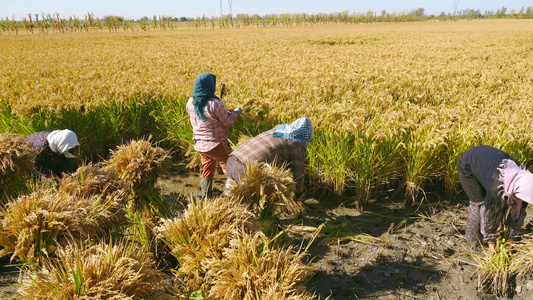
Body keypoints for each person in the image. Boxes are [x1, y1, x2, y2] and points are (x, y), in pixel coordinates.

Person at [456, 145, 533, 252]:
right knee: (479, 204)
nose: (522, 200)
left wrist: (511, 239)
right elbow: (489, 215)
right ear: (515, 190)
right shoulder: (498, 187)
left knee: (518, 208)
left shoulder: (526, 182)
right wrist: (491, 244)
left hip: (488, 166)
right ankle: (473, 243)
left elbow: (521, 211)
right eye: (519, 198)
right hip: (468, 164)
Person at [226, 117, 312, 202]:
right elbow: (297, 172)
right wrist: (298, 194)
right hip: (247, 171)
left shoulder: (278, 130)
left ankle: (225, 199)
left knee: (229, 196)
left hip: (231, 160)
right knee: (251, 203)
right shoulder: (296, 143)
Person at [186, 73, 242, 199]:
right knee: (230, 166)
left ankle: (204, 195)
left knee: (207, 168)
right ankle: (231, 196)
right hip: (216, 143)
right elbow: (227, 121)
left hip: (200, 144)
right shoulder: (215, 104)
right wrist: (236, 113)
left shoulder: (191, 102)